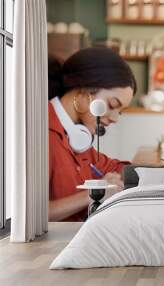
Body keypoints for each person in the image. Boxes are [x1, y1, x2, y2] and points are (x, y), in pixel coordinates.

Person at [48, 47, 136, 221]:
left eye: (120, 111)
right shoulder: (40, 133)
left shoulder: (77, 137)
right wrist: (95, 194)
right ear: (83, 91)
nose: (115, 118)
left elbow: (115, 168)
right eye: (112, 104)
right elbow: (26, 215)